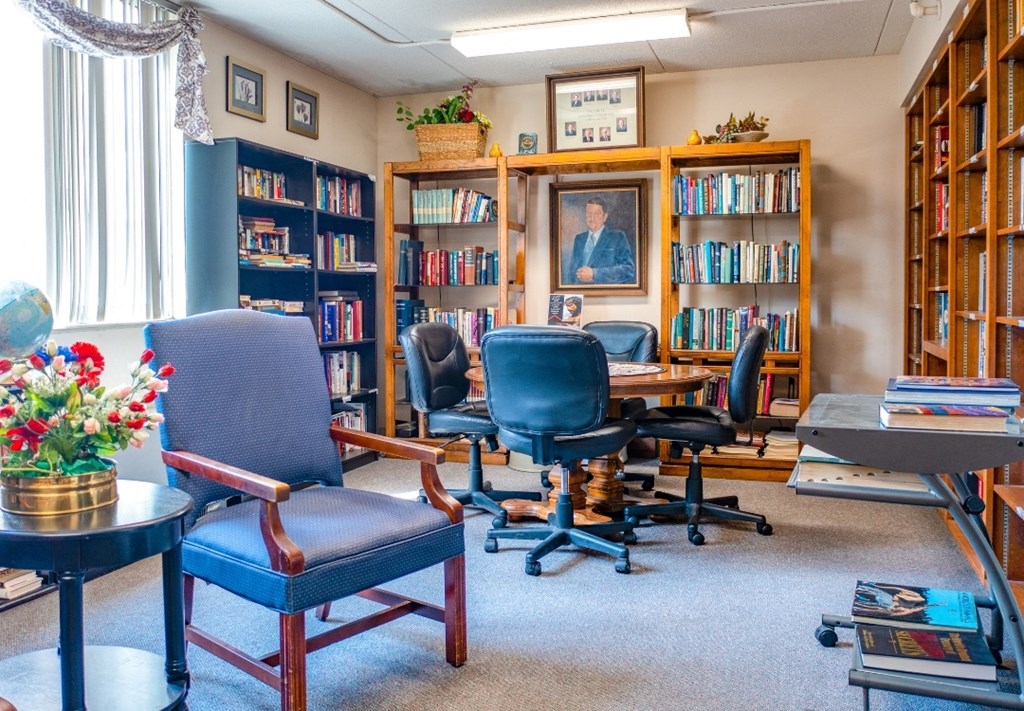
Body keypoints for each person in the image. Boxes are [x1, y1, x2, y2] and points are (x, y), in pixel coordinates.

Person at [564, 197, 636, 285]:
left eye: (597, 214)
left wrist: (595, 274)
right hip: (580, 295)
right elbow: (571, 274)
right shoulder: (579, 239)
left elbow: (628, 270)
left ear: (605, 217)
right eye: (589, 213)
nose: (592, 218)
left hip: (606, 295)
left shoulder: (617, 237)